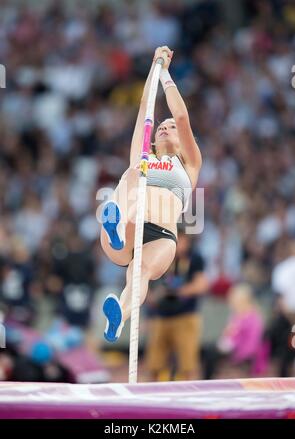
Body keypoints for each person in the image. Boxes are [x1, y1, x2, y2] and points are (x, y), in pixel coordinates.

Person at [99, 46, 202, 342]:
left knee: (140, 273)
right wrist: (153, 69)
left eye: (170, 127)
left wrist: (165, 73)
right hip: (126, 230)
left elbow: (181, 117)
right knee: (134, 170)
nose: (165, 127)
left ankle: (119, 315)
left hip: (161, 236)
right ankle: (117, 222)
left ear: (184, 143)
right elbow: (146, 105)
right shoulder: (143, 152)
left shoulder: (189, 165)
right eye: (161, 126)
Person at [144, 229, 208, 381]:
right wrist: (153, 297)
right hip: (161, 316)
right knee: (155, 363)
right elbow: (149, 285)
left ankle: (192, 396)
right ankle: (153, 397)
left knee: (188, 364)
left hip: (185, 316)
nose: (179, 244)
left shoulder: (195, 258)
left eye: (182, 239)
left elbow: (201, 285)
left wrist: (176, 291)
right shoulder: (161, 257)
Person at [202, 283, 266, 380]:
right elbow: (228, 334)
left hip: (242, 351)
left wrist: (238, 355)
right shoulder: (238, 314)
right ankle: (208, 378)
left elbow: (251, 342)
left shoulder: (252, 317)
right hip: (232, 346)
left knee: (210, 353)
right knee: (207, 349)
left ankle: (207, 380)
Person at [269, 238, 295, 376]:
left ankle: (283, 386)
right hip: (292, 317)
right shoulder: (283, 268)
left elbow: (279, 298)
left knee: (286, 355)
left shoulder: (282, 268)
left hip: (290, 317)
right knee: (289, 352)